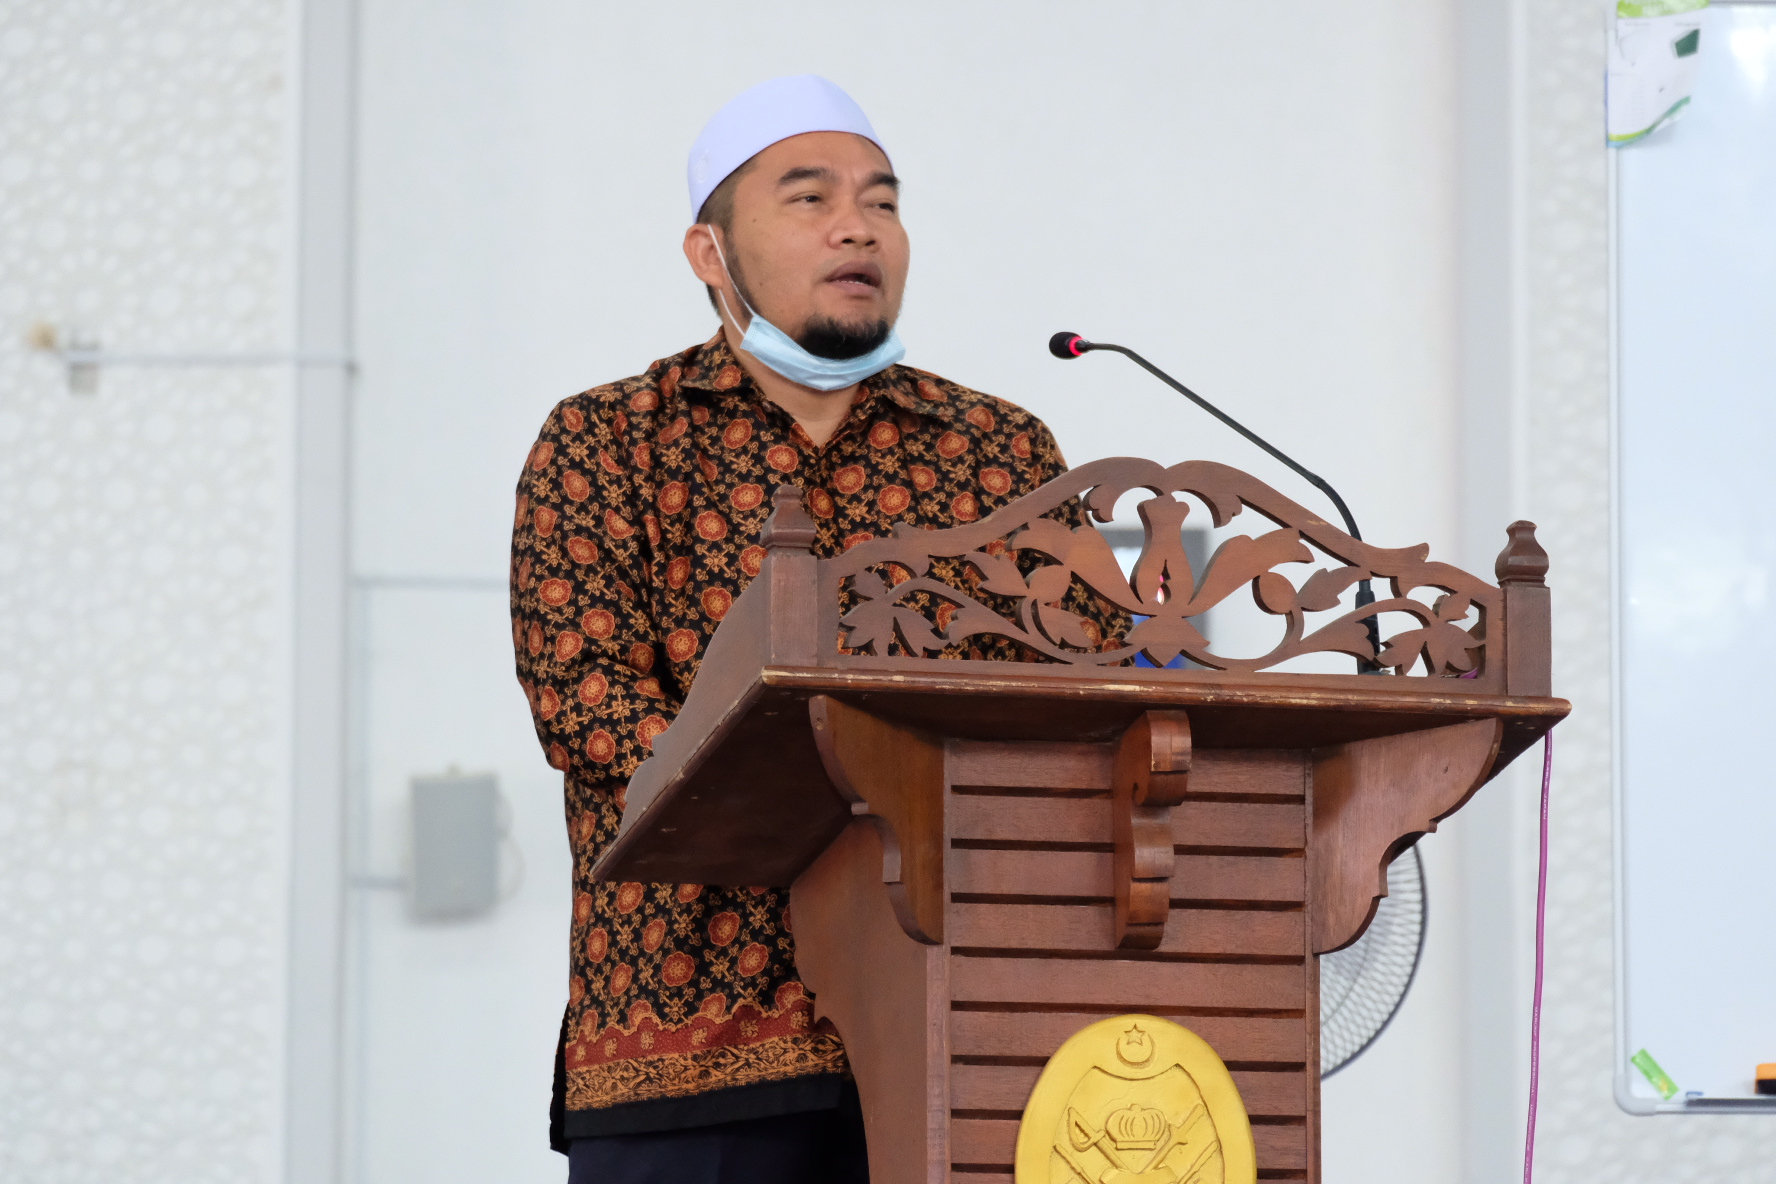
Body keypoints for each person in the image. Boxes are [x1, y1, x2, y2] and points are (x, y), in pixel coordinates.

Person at [509, 75, 1123, 1183]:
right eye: (811, 198)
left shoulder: (999, 451)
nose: (859, 226)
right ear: (709, 253)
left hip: (964, 1024)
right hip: (695, 1042)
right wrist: (850, 792)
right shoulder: (609, 441)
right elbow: (587, 705)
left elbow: (1084, 689)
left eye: (882, 202)